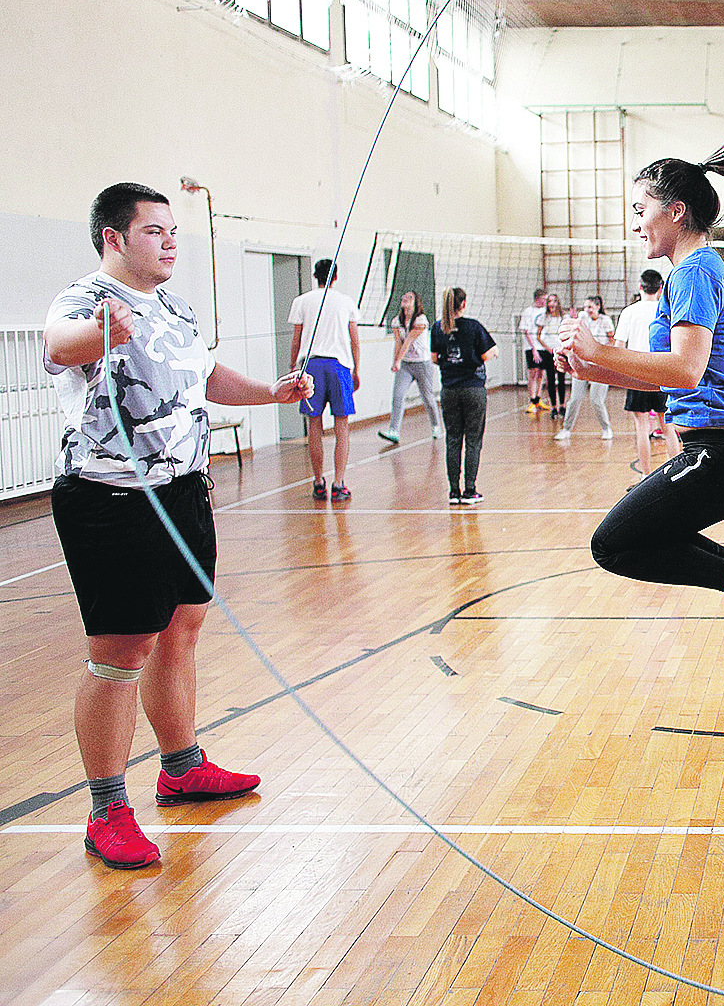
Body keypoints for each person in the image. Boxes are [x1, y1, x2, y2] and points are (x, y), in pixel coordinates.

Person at [45, 182, 314, 869]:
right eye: (154, 231)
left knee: (182, 629)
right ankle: (107, 809)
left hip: (183, 489)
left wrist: (270, 394)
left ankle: (181, 766)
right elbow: (59, 344)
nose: (170, 242)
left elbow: (204, 376)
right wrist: (100, 334)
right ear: (114, 238)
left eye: (173, 232)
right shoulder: (86, 300)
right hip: (111, 500)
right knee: (121, 651)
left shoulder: (174, 305)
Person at [554, 124, 724, 660]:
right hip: (723, 450)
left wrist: (599, 351)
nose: (636, 222)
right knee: (626, 541)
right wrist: (591, 369)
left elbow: (685, 370)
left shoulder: (693, 272)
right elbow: (669, 375)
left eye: (641, 209)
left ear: (677, 211)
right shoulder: (690, 273)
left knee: (613, 544)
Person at [288, 258, 361, 503]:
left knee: (314, 426)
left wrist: (292, 368)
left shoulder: (302, 301)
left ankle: (319, 482)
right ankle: (338, 484)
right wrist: (356, 370)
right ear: (336, 277)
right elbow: (354, 340)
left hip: (311, 367)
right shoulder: (346, 302)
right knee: (342, 426)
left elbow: (296, 341)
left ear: (315, 276)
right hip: (339, 366)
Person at [431, 287, 497, 505]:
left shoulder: (438, 328)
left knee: (453, 439)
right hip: (473, 389)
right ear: (464, 303)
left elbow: (434, 358)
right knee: (473, 440)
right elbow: (487, 353)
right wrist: (492, 353)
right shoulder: (473, 327)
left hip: (449, 390)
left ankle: (453, 492)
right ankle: (470, 490)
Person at [617, 269, 670, 488]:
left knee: (642, 426)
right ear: (660, 289)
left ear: (640, 287)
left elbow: (618, 347)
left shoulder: (629, 312)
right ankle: (675, 477)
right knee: (668, 426)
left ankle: (645, 477)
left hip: (637, 374)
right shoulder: (666, 310)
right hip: (663, 372)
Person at [377, 290, 442, 445]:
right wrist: (396, 362)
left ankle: (436, 425)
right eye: (403, 297)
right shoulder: (396, 321)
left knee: (427, 397)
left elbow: (408, 342)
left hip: (423, 363)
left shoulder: (421, 320)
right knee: (398, 396)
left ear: (416, 302)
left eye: (409, 297)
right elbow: (399, 343)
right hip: (406, 364)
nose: (405, 299)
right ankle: (394, 431)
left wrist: (398, 360)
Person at [557, 296, 615, 441]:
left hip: (600, 364)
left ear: (598, 306)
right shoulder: (582, 317)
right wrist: (572, 319)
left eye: (589, 307)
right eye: (585, 307)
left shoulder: (605, 321)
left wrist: (602, 356)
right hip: (582, 363)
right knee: (575, 399)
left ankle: (606, 429)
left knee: (596, 400)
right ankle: (566, 429)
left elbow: (612, 341)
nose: (587, 310)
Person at [535, 293, 568, 420]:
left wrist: (563, 348)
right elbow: (538, 336)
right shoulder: (543, 317)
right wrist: (548, 348)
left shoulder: (563, 317)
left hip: (561, 351)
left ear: (557, 303)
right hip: (548, 352)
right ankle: (553, 407)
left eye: (554, 301)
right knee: (550, 380)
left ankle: (562, 406)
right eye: (549, 301)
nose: (552, 304)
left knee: (561, 380)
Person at [519, 287, 546, 411]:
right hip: (532, 346)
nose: (545, 302)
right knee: (533, 372)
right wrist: (534, 348)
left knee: (541, 373)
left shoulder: (547, 311)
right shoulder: (527, 312)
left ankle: (538, 400)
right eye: (543, 299)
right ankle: (532, 400)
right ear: (537, 299)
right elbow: (526, 331)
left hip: (544, 346)